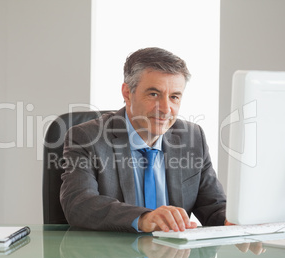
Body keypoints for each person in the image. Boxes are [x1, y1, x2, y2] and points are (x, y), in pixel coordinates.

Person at [60, 47, 226, 233]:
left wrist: (237, 222)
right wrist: (143, 218)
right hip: (114, 256)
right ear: (127, 93)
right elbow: (79, 204)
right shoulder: (87, 138)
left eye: (174, 97)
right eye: (154, 94)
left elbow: (214, 207)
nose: (165, 108)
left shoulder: (193, 137)